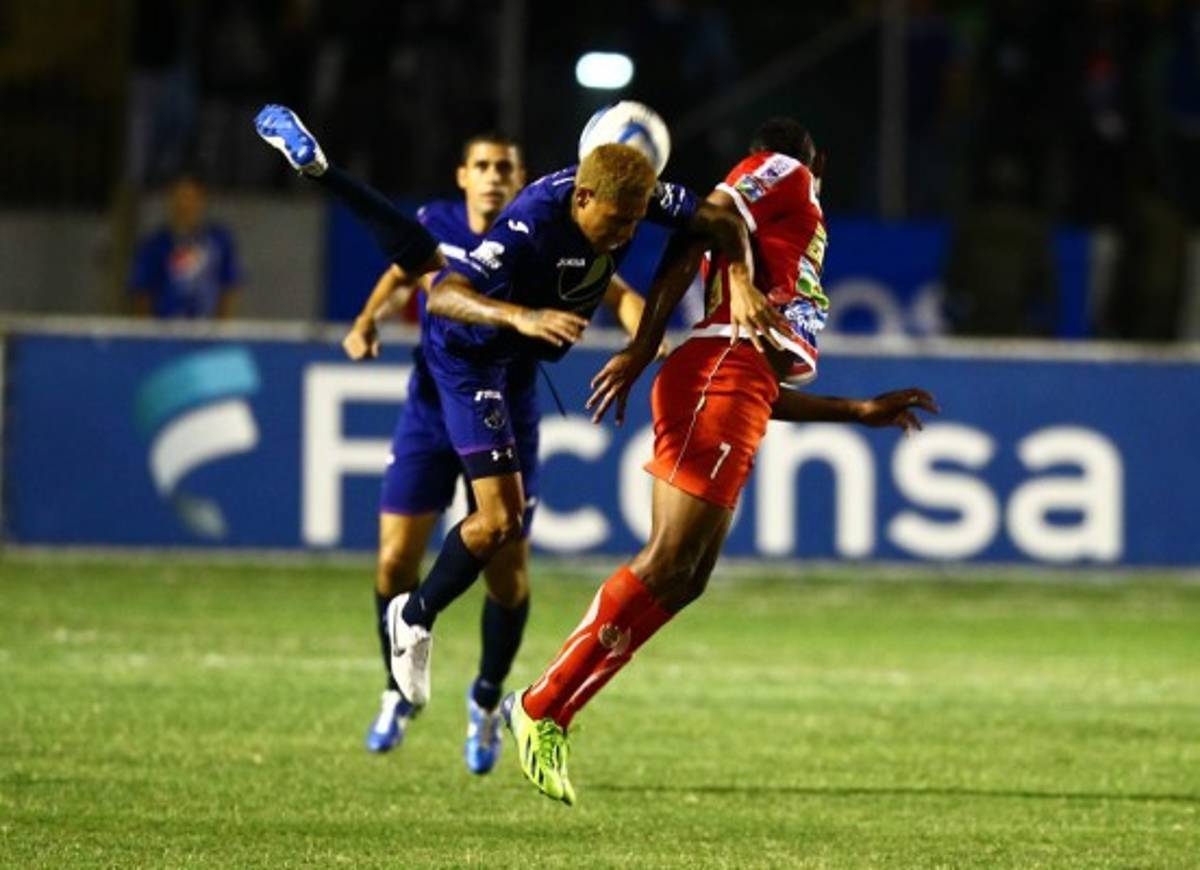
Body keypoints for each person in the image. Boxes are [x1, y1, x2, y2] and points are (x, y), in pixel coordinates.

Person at [252, 104, 778, 762]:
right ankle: (413, 620)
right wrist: (523, 319)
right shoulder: (531, 222)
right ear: (581, 198)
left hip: (515, 375)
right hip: (468, 360)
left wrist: (729, 287)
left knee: (506, 555)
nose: (624, 235)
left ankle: (453, 664)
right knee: (487, 524)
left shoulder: (631, 193)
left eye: (634, 223)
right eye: (616, 222)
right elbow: (443, 295)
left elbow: (721, 223)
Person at [500, 118, 940, 806]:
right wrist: (646, 342)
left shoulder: (792, 223)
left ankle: (546, 706)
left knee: (686, 577)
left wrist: (856, 411)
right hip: (718, 370)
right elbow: (706, 221)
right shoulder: (784, 171)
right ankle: (542, 707)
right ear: (817, 159)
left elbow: (759, 385)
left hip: (739, 379)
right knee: (667, 560)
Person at [342, 133, 665, 769]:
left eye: (505, 169)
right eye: (483, 166)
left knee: (507, 571)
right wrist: (366, 319)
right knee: (394, 560)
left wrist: (648, 343)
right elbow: (405, 274)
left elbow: (621, 293)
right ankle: (396, 689)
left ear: (524, 181)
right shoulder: (438, 225)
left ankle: (486, 700)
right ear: (463, 175)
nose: (493, 177)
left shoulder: (545, 235)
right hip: (433, 407)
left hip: (507, 409)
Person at [129, 172, 243, 319]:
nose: (184, 205)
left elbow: (230, 288)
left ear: (202, 200)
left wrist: (222, 327)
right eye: (178, 198)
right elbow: (142, 294)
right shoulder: (153, 245)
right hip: (164, 327)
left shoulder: (219, 241)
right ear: (169, 201)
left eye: (190, 198)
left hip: (208, 326)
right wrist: (146, 330)